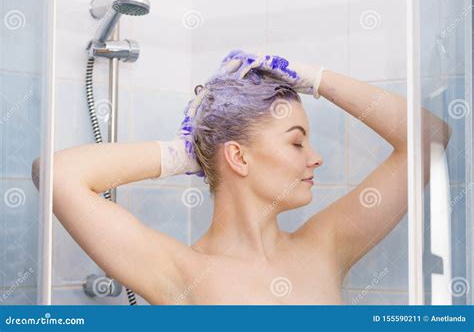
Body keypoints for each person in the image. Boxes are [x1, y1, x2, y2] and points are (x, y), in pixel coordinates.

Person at [32, 50, 452, 305]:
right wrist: (182, 154)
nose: (316, 158)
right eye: (296, 143)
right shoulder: (182, 272)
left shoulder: (327, 245)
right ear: (238, 157)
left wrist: (314, 79)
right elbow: (57, 173)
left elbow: (429, 138)